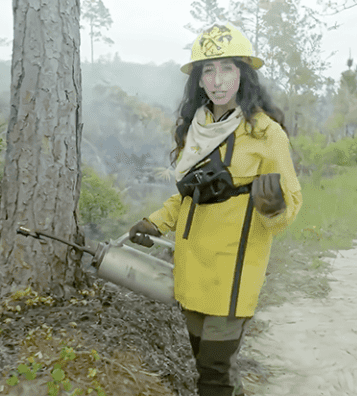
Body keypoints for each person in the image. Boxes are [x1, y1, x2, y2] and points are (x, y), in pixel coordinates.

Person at [128, 23, 302, 396]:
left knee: (212, 372)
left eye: (227, 69)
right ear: (198, 79)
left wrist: (273, 208)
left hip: (234, 271)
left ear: (244, 74)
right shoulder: (197, 128)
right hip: (193, 267)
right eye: (208, 70)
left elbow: (291, 200)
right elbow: (187, 195)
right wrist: (155, 223)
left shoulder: (266, 134)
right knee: (206, 361)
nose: (218, 81)